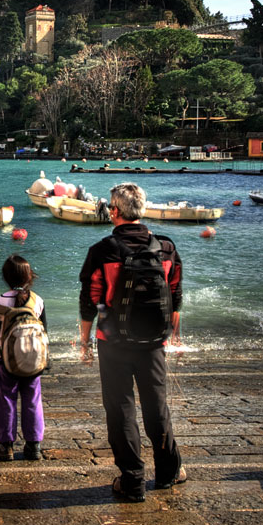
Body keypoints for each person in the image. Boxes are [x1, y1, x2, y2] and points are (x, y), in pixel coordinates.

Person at [78, 182, 185, 502]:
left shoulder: (102, 250)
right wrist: (173, 337)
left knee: (121, 409)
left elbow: (90, 301)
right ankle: (167, 473)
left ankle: (133, 479)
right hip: (154, 342)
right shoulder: (166, 248)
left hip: (112, 342)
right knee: (157, 407)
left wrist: (84, 342)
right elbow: (176, 297)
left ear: (114, 211)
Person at [0, 255, 48, 461]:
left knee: (6, 400)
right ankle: (34, 446)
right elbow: (45, 333)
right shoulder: (37, 301)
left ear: (5, 277)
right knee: (33, 401)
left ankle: (6, 446)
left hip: (6, 360)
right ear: (29, 276)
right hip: (34, 360)